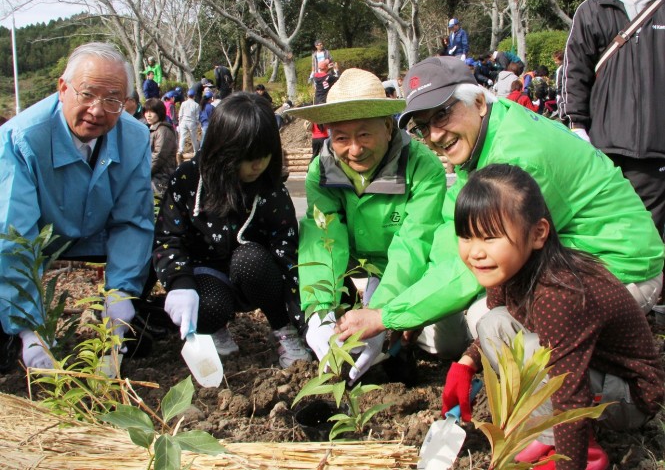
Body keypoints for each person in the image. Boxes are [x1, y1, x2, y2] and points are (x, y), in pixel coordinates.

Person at [339, 56, 662, 364]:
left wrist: (390, 316)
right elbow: (448, 233)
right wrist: (390, 306)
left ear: (478, 102)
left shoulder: (515, 160)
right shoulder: (485, 132)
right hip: (563, 257)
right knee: (445, 330)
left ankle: (589, 388)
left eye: (442, 115)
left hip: (616, 267)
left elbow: (483, 262)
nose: (435, 135)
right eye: (423, 127)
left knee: (489, 320)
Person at [443, 164, 664, 470]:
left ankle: (582, 449)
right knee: (492, 323)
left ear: (538, 233)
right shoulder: (512, 269)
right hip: (586, 371)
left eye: (490, 237)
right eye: (466, 237)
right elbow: (495, 327)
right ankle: (547, 433)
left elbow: (568, 393)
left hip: (629, 394)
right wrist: (466, 364)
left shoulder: (561, 293)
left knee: (534, 353)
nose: (475, 252)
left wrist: (568, 462)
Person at [286, 68, 466, 385]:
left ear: (387, 127)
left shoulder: (420, 167)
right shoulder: (322, 171)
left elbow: (414, 243)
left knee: (448, 342)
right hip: (351, 265)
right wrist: (319, 311)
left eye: (364, 135)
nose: (354, 150)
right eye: (341, 138)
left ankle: (405, 339)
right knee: (330, 326)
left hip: (406, 268)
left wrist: (381, 313)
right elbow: (324, 239)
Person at [0, 42, 154, 370]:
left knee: (151, 252)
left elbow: (133, 220)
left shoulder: (137, 137)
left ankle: (127, 325)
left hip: (97, 235)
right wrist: (29, 326)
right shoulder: (21, 138)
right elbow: (15, 234)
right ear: (62, 88)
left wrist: (121, 295)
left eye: (112, 99)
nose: (97, 110)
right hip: (43, 237)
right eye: (87, 94)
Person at [153, 92, 311, 368]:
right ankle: (213, 327)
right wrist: (179, 284)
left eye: (265, 155)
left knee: (250, 259)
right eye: (248, 157)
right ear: (223, 150)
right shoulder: (189, 179)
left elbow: (287, 254)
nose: (258, 166)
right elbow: (169, 238)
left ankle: (283, 329)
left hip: (258, 277)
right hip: (208, 275)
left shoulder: (270, 190)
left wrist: (304, 322)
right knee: (207, 304)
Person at [560, 0, 665, 237]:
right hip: (603, 146)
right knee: (602, 227)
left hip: (655, 148)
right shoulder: (594, 8)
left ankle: (643, 275)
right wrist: (576, 124)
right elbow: (575, 70)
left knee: (648, 235)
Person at [144, 98, 178, 200]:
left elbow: (158, 156)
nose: (148, 115)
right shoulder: (152, 129)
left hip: (161, 178)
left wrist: (144, 173)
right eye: (146, 111)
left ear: (160, 112)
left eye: (152, 112)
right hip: (154, 177)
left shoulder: (163, 130)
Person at [177, 88, 200, 164]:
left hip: (184, 121)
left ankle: (180, 150)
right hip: (192, 122)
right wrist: (197, 123)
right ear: (194, 96)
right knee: (193, 137)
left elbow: (180, 114)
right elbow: (197, 116)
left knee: (182, 137)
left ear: (187, 95)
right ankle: (195, 151)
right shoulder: (196, 105)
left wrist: (179, 123)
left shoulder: (183, 103)